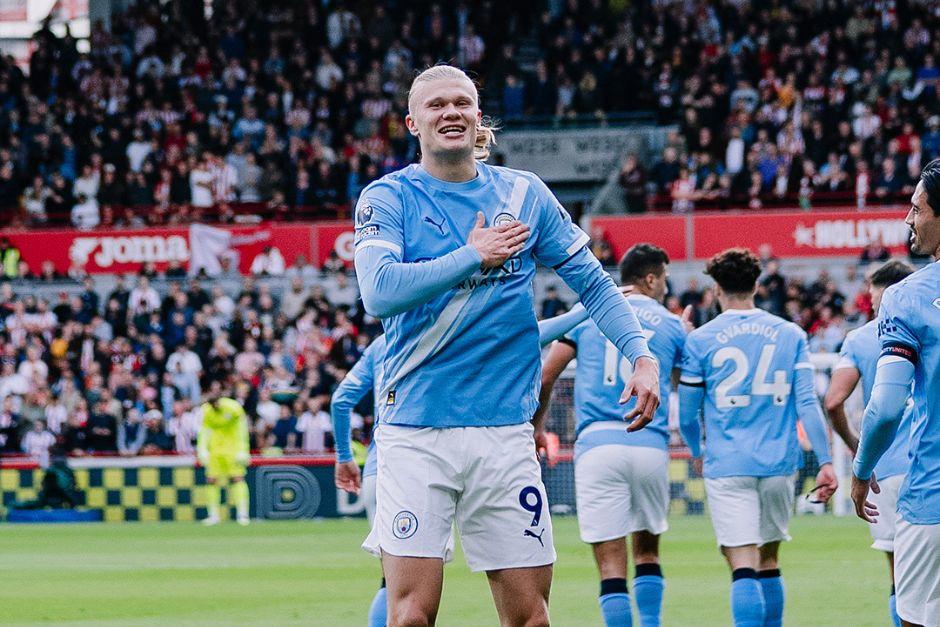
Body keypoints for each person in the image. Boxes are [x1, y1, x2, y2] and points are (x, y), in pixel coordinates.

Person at [353, 64, 659, 626]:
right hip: (416, 431)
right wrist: (474, 255)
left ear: (478, 117)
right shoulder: (387, 197)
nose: (451, 113)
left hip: (504, 434)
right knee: (411, 616)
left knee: (531, 618)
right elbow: (379, 291)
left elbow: (594, 284)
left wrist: (641, 355)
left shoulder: (523, 193)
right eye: (437, 105)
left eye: (462, 103)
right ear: (412, 123)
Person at [333, 308, 596, 627]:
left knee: (397, 589)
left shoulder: (383, 344)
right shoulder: (470, 329)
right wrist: (585, 307)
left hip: (390, 462)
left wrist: (344, 456)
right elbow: (532, 332)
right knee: (408, 600)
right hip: (438, 454)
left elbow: (341, 399)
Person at [678, 248, 837, 627]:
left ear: (716, 289)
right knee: (768, 560)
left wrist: (697, 449)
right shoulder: (790, 334)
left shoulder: (702, 340)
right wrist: (827, 461)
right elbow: (807, 404)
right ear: (756, 286)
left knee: (742, 566)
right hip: (780, 464)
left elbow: (685, 414)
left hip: (728, 463)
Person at [535, 243, 689, 627]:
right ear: (650, 279)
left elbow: (546, 375)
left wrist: (536, 427)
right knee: (648, 551)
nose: (667, 288)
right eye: (665, 279)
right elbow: (680, 382)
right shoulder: (670, 323)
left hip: (598, 444)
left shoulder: (586, 316)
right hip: (650, 443)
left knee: (610, 565)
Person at [852, 159, 940, 627]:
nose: (909, 219)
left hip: (932, 497)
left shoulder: (906, 297)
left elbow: (886, 407)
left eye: (917, 209)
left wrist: (861, 470)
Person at [824, 259, 915, 627]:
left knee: (901, 579)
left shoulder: (863, 337)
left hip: (886, 470)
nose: (871, 300)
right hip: (931, 463)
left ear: (886, 291)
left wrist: (856, 445)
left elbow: (833, 400)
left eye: (873, 291)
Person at [197, 381, 251, 526]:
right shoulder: (206, 410)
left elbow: (242, 429)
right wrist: (202, 449)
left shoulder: (233, 408)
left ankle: (243, 514)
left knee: (237, 479)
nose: (215, 406)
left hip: (232, 450)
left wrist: (243, 449)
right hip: (215, 451)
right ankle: (213, 515)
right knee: (211, 481)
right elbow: (205, 431)